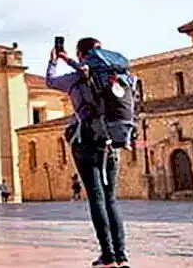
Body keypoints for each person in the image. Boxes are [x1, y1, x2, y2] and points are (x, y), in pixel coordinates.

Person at [47, 37, 129, 268]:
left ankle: (108, 256)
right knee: (111, 199)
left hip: (85, 141)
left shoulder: (76, 77)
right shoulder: (116, 75)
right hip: (112, 141)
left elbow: (51, 82)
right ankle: (121, 256)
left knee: (97, 198)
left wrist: (54, 61)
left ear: (80, 54)